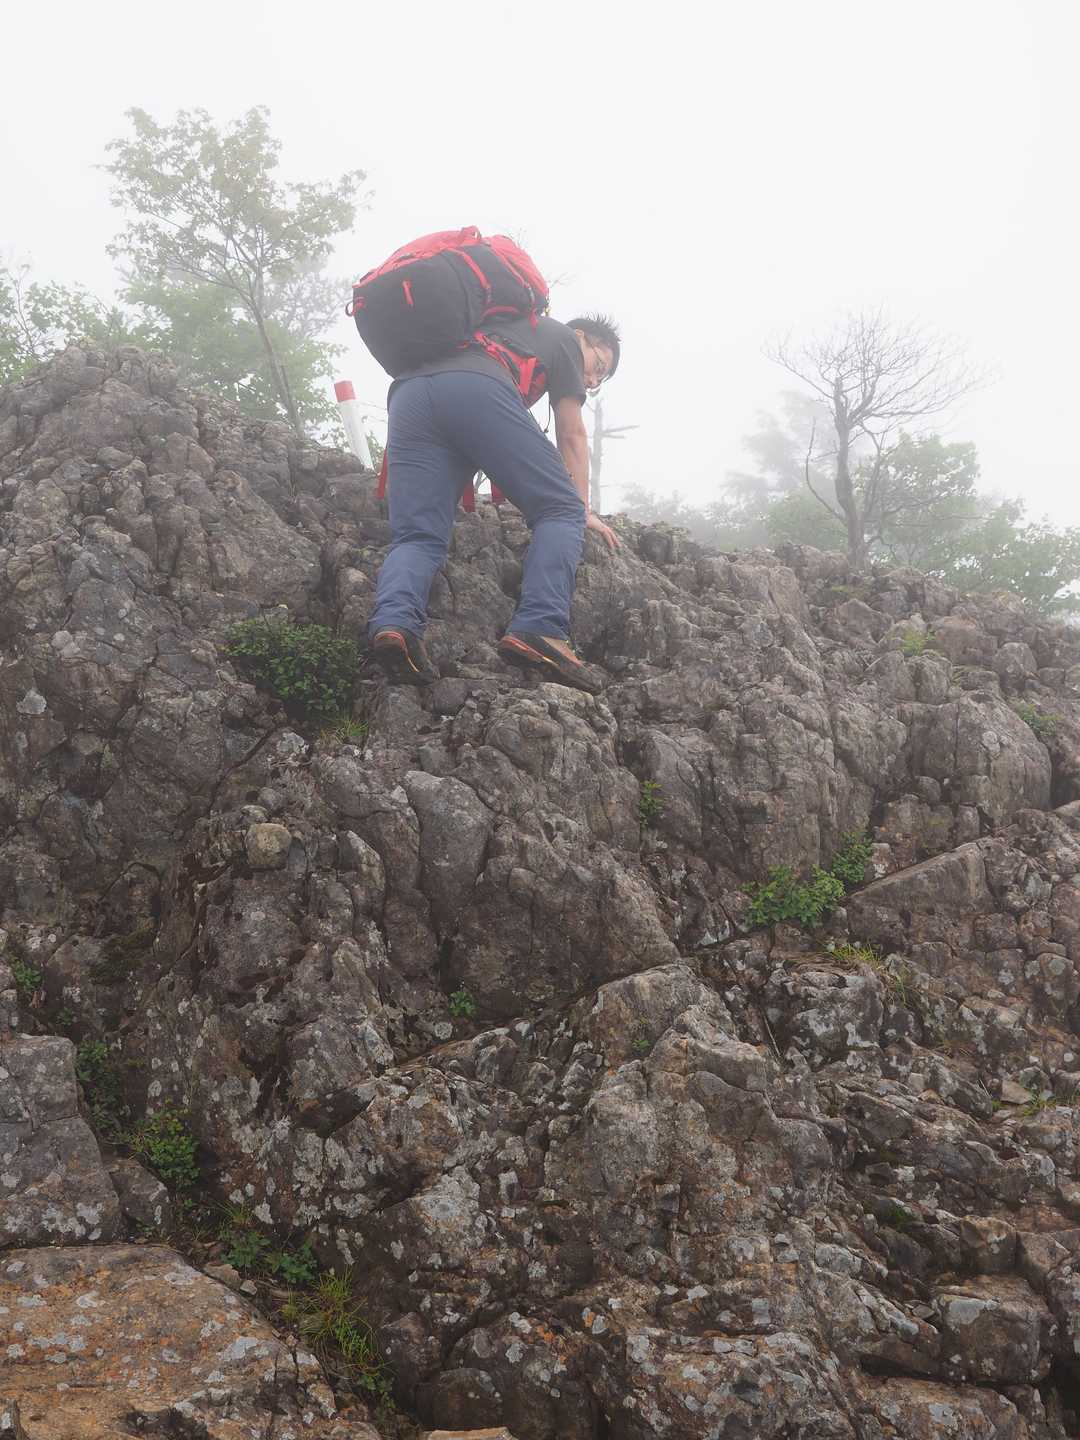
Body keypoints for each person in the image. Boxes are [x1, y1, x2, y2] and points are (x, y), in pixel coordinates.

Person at [367, 313, 622, 695]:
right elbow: (571, 432)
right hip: (475, 389)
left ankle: (395, 624)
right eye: (598, 367)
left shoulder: (487, 328)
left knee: (416, 535)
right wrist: (581, 508)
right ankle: (541, 626)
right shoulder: (565, 338)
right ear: (582, 336)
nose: (592, 381)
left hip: (408, 395)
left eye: (601, 381)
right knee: (562, 509)